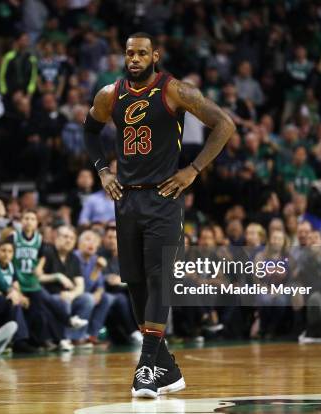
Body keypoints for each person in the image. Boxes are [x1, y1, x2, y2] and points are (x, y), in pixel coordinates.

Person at [83, 32, 234, 398]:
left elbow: (225, 124)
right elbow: (90, 131)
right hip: (127, 201)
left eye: (142, 53)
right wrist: (103, 171)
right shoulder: (109, 94)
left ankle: (146, 367)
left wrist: (193, 169)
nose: (134, 59)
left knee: (158, 279)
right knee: (134, 283)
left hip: (164, 198)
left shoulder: (175, 90)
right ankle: (167, 369)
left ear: (155, 56)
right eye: (129, 53)